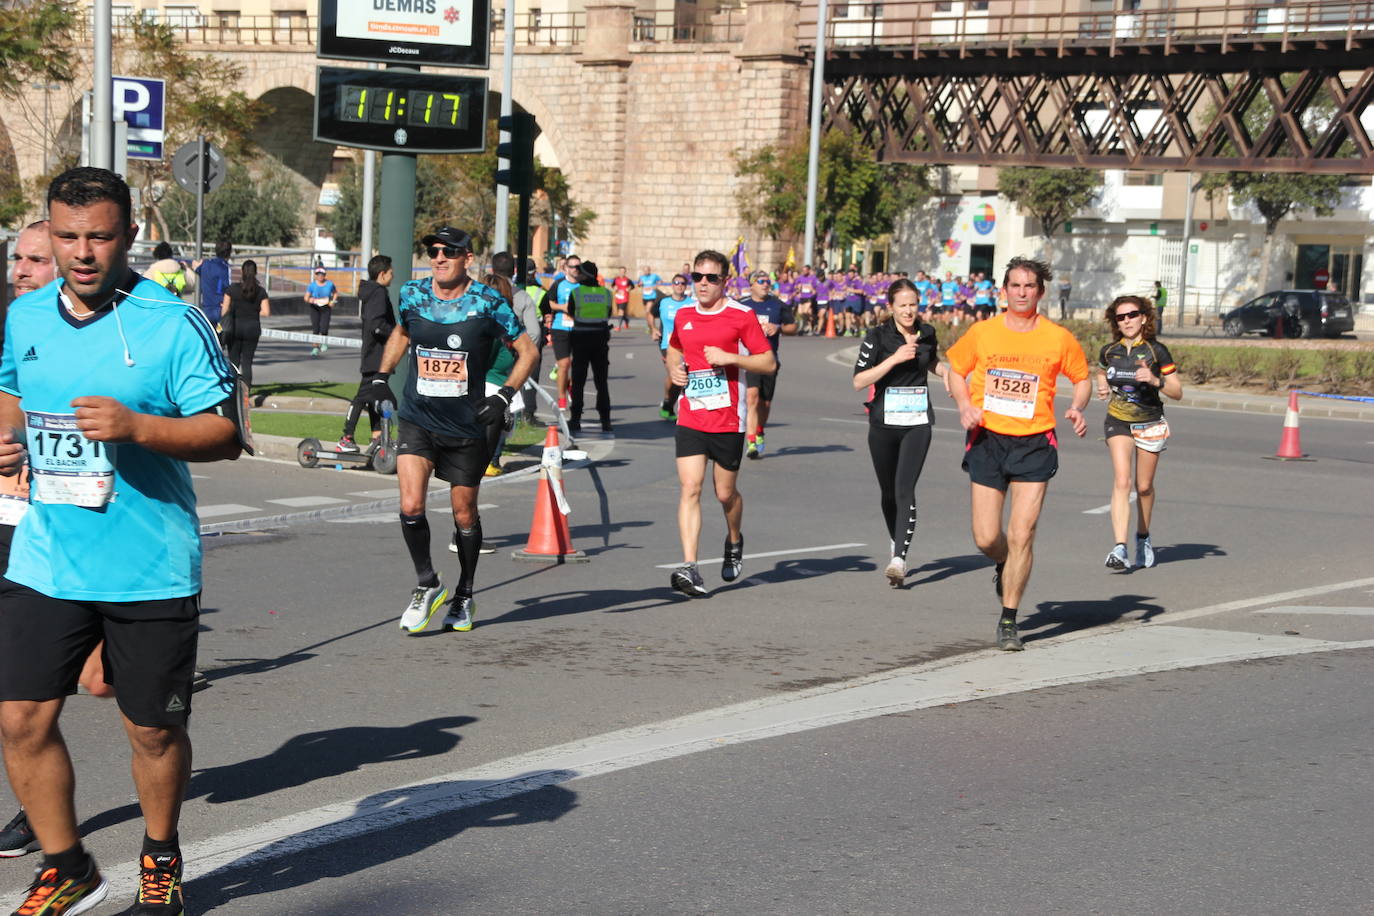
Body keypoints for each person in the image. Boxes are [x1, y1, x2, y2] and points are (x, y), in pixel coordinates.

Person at [0, 166, 242, 915]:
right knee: (19, 718)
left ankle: (160, 857)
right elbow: (12, 392)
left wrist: (138, 428)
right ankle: (66, 863)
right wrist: (7, 441)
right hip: (48, 555)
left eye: (98, 236)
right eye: (67, 236)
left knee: (152, 731)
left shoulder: (170, 323)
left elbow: (226, 432)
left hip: (149, 566)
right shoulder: (27, 316)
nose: (81, 252)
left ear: (128, 236)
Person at [375, 227, 536, 634]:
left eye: (449, 251)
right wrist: (382, 375)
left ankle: (464, 592)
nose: (439, 257)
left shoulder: (487, 302)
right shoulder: (412, 294)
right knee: (411, 504)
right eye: (433, 250)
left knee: (464, 512)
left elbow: (528, 350)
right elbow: (403, 333)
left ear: (468, 257)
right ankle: (428, 583)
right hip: (418, 417)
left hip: (468, 425)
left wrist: (504, 396)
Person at [945, 256, 1090, 651]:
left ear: (1040, 292)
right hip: (988, 439)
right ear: (1003, 290)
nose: (1022, 292)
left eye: (1029, 286)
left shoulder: (1057, 338)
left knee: (1023, 533)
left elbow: (1081, 377)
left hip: (1035, 442)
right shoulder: (983, 332)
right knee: (987, 536)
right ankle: (1003, 563)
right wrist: (963, 405)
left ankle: (1009, 619)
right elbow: (955, 369)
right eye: (1015, 285)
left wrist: (1078, 406)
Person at [665, 251, 775, 597]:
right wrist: (674, 369)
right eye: (698, 277)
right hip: (692, 414)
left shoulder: (741, 316)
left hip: (728, 418)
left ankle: (734, 538)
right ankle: (690, 567)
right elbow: (674, 348)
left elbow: (768, 362)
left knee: (724, 493)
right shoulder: (683, 315)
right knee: (690, 488)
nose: (702, 284)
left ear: (725, 281)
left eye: (711, 278)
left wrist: (731, 358)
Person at [853, 278, 950, 587]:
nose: (909, 311)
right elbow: (859, 380)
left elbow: (930, 360)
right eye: (903, 305)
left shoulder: (928, 333)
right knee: (888, 493)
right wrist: (894, 358)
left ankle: (899, 558)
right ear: (891, 307)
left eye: (913, 304)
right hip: (883, 422)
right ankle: (895, 538)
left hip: (917, 422)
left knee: (905, 488)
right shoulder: (877, 337)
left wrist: (946, 372)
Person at [1095, 295, 1181, 570]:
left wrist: (1155, 380)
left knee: (1143, 487)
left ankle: (1142, 536)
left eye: (1132, 315)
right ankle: (1119, 548)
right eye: (1121, 317)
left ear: (1144, 317)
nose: (1127, 321)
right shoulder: (1110, 351)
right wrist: (1103, 387)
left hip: (1150, 422)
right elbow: (1100, 371)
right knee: (1122, 481)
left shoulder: (1157, 351)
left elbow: (1177, 392)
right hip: (1118, 420)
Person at [340, 254, 396, 452]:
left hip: (377, 355)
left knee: (375, 397)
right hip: (376, 356)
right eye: (390, 272)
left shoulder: (373, 292)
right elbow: (376, 325)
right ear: (382, 274)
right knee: (363, 396)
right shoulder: (378, 293)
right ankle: (346, 438)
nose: (393, 275)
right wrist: (396, 334)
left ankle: (377, 437)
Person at [743, 269, 796, 459]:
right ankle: (751, 442)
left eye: (768, 282)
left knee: (765, 403)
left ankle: (759, 431)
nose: (766, 284)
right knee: (752, 397)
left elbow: (792, 327)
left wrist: (778, 328)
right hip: (749, 358)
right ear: (752, 285)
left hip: (770, 359)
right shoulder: (742, 306)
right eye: (761, 281)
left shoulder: (778, 305)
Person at [566, 261, 614, 434]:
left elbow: (571, 311)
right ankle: (606, 420)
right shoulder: (607, 294)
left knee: (578, 382)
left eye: (580, 273)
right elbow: (608, 314)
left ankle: (575, 419)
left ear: (586, 275)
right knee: (601, 382)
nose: (577, 275)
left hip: (580, 340)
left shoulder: (576, 292)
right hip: (600, 340)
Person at [219, 259, 270, 390]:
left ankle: (233, 391)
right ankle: (246, 392)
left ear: (242, 272)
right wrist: (254, 309)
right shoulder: (260, 291)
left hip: (235, 328)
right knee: (247, 362)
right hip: (252, 329)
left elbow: (224, 311)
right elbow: (266, 312)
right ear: (256, 273)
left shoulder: (232, 289)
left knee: (234, 362)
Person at [652, 274, 693, 419]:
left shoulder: (692, 303)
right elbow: (650, 313)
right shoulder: (663, 302)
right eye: (676, 282)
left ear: (686, 285)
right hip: (667, 344)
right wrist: (653, 328)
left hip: (687, 345)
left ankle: (668, 405)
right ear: (672, 285)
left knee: (681, 377)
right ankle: (668, 402)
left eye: (682, 283)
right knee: (674, 374)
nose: (679, 285)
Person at [545, 254, 581, 408]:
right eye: (573, 266)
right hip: (560, 327)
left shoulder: (584, 285)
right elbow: (550, 303)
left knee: (577, 364)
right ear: (566, 268)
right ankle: (561, 397)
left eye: (578, 267)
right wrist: (563, 308)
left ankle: (571, 385)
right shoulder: (559, 284)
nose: (576, 269)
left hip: (579, 329)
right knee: (564, 364)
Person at [192, 239, 231, 327]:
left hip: (206, 307)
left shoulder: (206, 264)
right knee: (221, 338)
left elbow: (196, 267)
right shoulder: (226, 268)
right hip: (220, 307)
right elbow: (228, 288)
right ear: (229, 252)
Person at [305, 267, 338, 356]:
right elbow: (306, 297)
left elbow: (335, 293)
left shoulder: (330, 284)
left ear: (324, 275)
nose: (320, 276)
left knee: (324, 327)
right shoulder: (312, 285)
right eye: (318, 275)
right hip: (315, 308)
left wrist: (333, 301)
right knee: (316, 329)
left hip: (326, 307)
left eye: (322, 274)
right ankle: (315, 348)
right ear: (315, 275)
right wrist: (310, 300)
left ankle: (324, 342)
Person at [609, 266, 634, 332]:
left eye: (623, 272)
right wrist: (614, 288)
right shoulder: (616, 279)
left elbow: (632, 286)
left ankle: (618, 327)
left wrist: (629, 288)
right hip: (618, 297)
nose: (622, 273)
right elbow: (612, 285)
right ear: (619, 272)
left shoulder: (627, 280)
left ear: (625, 272)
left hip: (625, 297)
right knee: (620, 312)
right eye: (621, 271)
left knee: (621, 311)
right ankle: (626, 320)